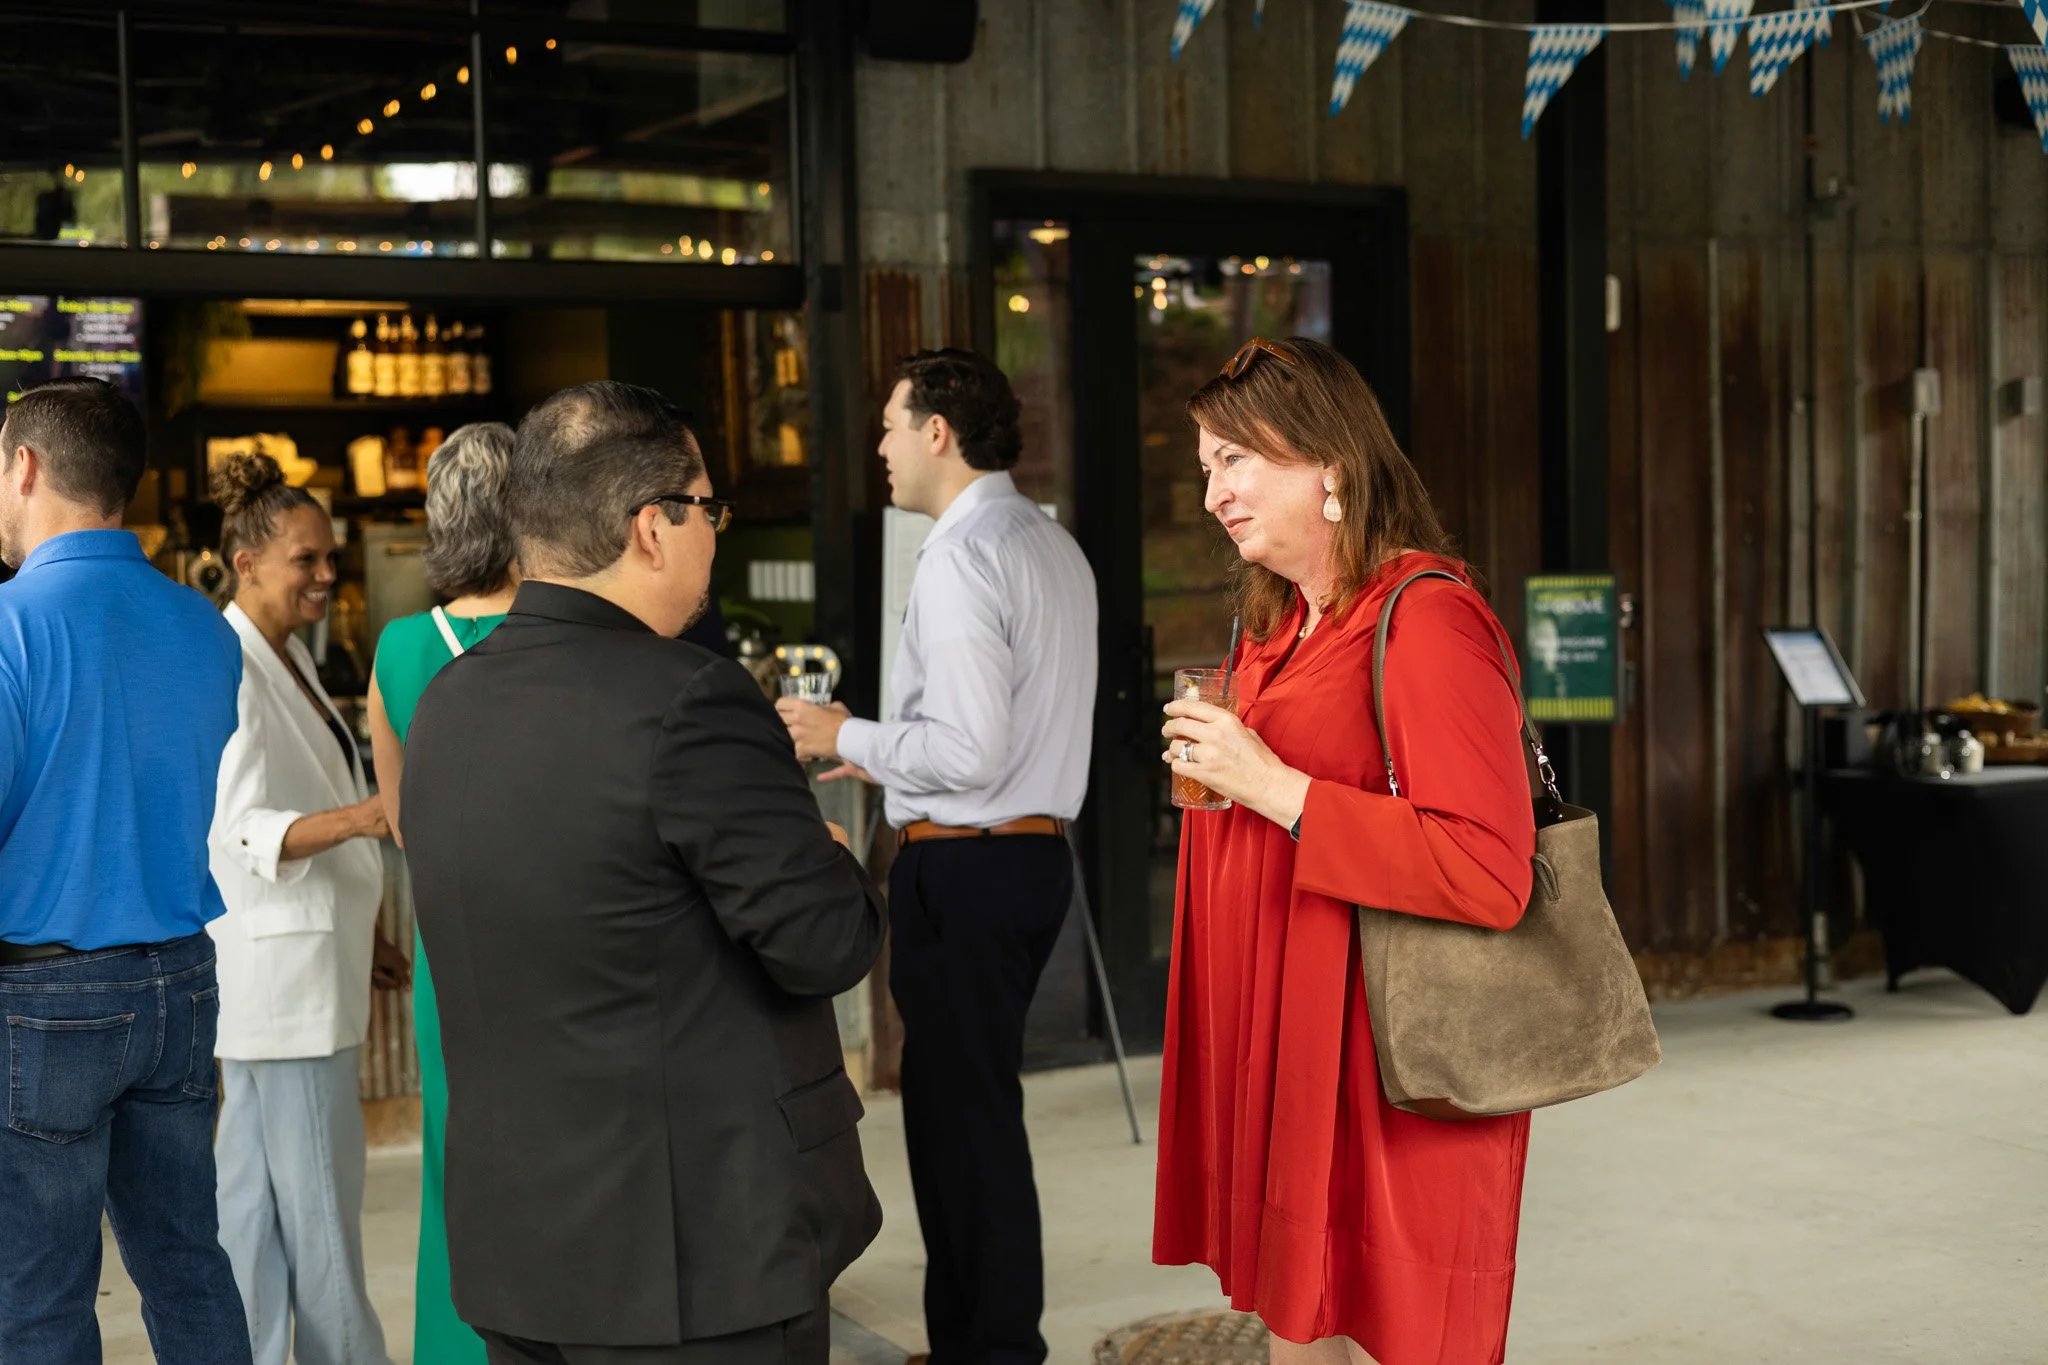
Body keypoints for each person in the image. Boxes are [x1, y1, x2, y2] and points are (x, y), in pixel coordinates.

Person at [400, 381, 886, 1365]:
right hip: (693, 1259)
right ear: (651, 527)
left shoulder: (446, 701)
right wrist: (830, 863)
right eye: (708, 509)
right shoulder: (691, 700)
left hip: (517, 1247)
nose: (715, 533)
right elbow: (823, 945)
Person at [1151, 338, 1537, 1365]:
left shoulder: (1426, 620)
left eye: (1235, 461)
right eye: (1204, 469)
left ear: (1329, 462)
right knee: (1298, 1326)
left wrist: (1270, 787)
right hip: (1287, 1045)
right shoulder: (1276, 625)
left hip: (1382, 1060)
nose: (1212, 496)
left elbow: (1487, 871)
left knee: (1394, 1336)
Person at [778, 348, 1098, 1365]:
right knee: (971, 1118)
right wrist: (877, 759)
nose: (876, 446)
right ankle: (976, 1341)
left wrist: (842, 737)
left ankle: (993, 1350)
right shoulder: (1048, 543)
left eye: (886, 424)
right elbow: (994, 742)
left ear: (935, 432)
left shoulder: (962, 556)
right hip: (1020, 858)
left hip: (966, 866)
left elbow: (968, 749)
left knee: (963, 1129)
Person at [0, 377, 253, 1365]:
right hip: (180, 981)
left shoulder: (12, 627)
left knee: (38, 1292)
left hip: (44, 992)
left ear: (25, 467)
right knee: (188, 1260)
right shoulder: (201, 627)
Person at [206, 451, 401, 1365]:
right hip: (285, 996)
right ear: (245, 563)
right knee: (319, 1223)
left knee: (252, 1216)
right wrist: (369, 818)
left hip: (284, 980)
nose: (328, 573)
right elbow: (240, 828)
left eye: (331, 557)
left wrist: (368, 930)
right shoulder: (236, 668)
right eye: (306, 559)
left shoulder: (281, 658)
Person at [365, 422, 519, 1365]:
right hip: (555, 942)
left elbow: (401, 819)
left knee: (454, 1167)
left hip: (446, 948)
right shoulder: (566, 635)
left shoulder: (398, 649)